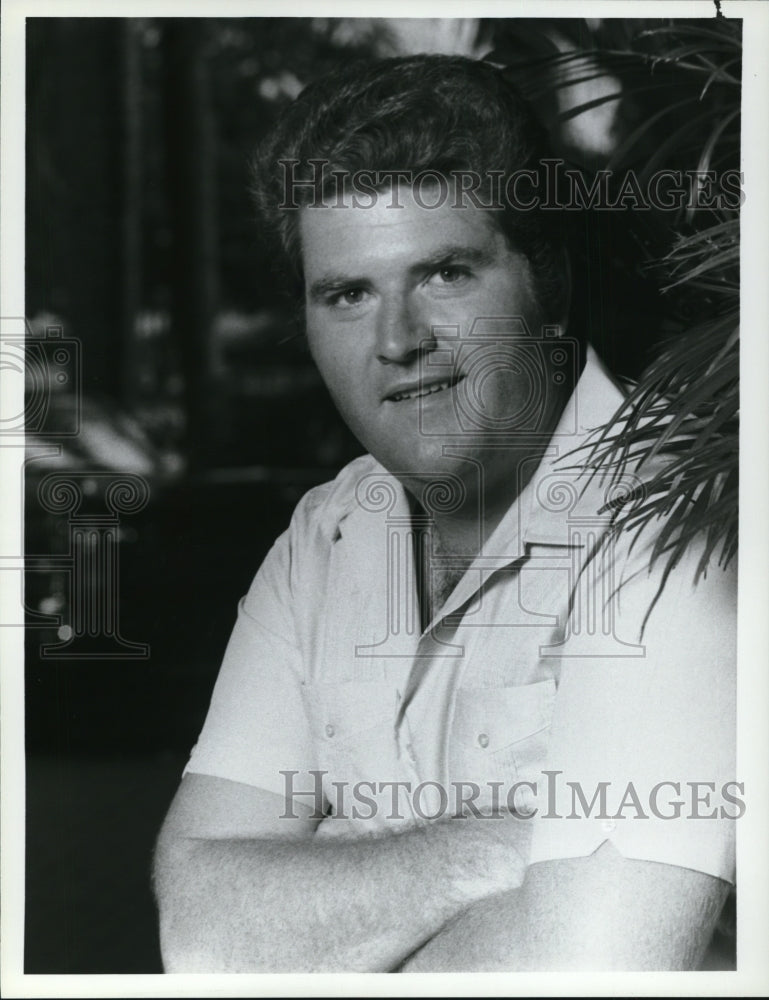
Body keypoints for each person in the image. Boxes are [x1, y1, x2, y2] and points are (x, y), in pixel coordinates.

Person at [152, 55, 737, 972]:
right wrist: (514, 845)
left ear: (545, 282)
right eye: (347, 294)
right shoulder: (323, 536)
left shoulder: (674, 521)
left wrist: (332, 898)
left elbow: (595, 962)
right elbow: (202, 932)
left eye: (445, 274)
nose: (397, 341)